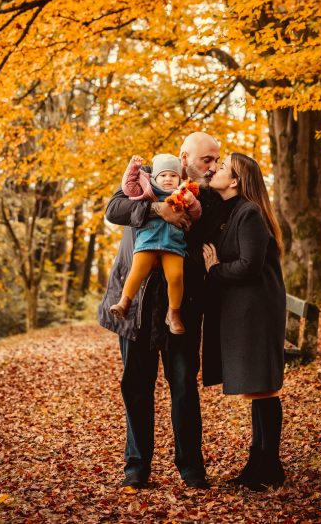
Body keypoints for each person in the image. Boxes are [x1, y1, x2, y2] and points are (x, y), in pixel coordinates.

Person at [98, 132, 223, 490]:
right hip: (136, 307)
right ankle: (136, 467)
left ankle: (191, 467)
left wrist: (187, 212)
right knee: (136, 386)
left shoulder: (207, 197)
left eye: (217, 160)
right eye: (207, 160)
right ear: (184, 157)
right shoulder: (146, 180)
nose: (213, 167)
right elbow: (114, 210)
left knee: (183, 385)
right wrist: (157, 208)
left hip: (181, 309)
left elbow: (209, 233)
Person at [202, 152, 286, 491]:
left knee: (264, 389)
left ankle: (271, 464)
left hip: (257, 312)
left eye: (222, 168)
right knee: (258, 389)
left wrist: (215, 269)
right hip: (245, 311)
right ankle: (258, 461)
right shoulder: (234, 211)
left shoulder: (249, 212)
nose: (215, 169)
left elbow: (250, 265)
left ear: (236, 181)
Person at [109, 153, 201, 335]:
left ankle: (173, 314)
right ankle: (124, 302)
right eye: (163, 175)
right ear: (155, 177)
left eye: (173, 176)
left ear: (179, 178)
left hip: (173, 245)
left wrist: (192, 202)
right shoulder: (146, 191)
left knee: (175, 276)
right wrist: (133, 168)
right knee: (137, 271)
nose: (168, 179)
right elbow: (127, 188)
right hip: (147, 243)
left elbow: (197, 214)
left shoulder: (183, 194)